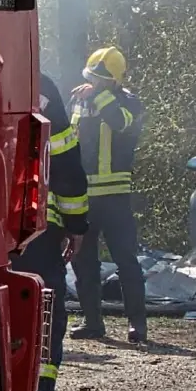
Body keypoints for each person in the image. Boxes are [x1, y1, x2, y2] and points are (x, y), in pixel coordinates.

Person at [10, 72, 90, 391]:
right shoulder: (34, 83)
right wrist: (76, 226)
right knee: (41, 328)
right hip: (31, 232)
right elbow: (64, 163)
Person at [67, 46, 149, 344]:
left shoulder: (129, 102)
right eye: (93, 77)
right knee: (84, 263)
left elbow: (119, 123)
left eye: (102, 79)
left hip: (115, 198)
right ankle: (92, 321)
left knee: (126, 260)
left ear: (115, 81)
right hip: (83, 198)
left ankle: (137, 325)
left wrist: (98, 95)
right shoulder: (81, 100)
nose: (96, 83)